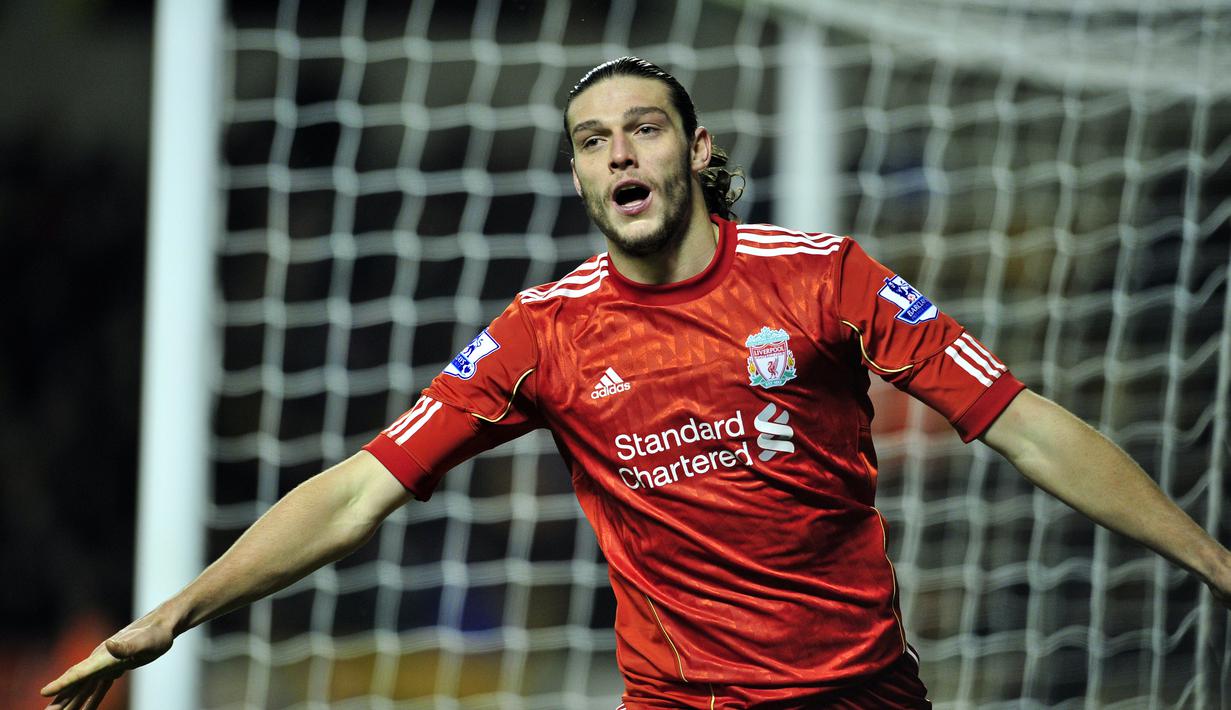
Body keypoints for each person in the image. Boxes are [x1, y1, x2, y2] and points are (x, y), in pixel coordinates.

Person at [42, 57, 1231, 710]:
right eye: (593, 138)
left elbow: (1024, 425)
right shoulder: (541, 333)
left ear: (696, 152)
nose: (620, 151)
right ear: (576, 174)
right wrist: (171, 615)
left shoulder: (825, 280)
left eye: (645, 128)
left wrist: (1216, 564)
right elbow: (361, 487)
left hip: (848, 696)